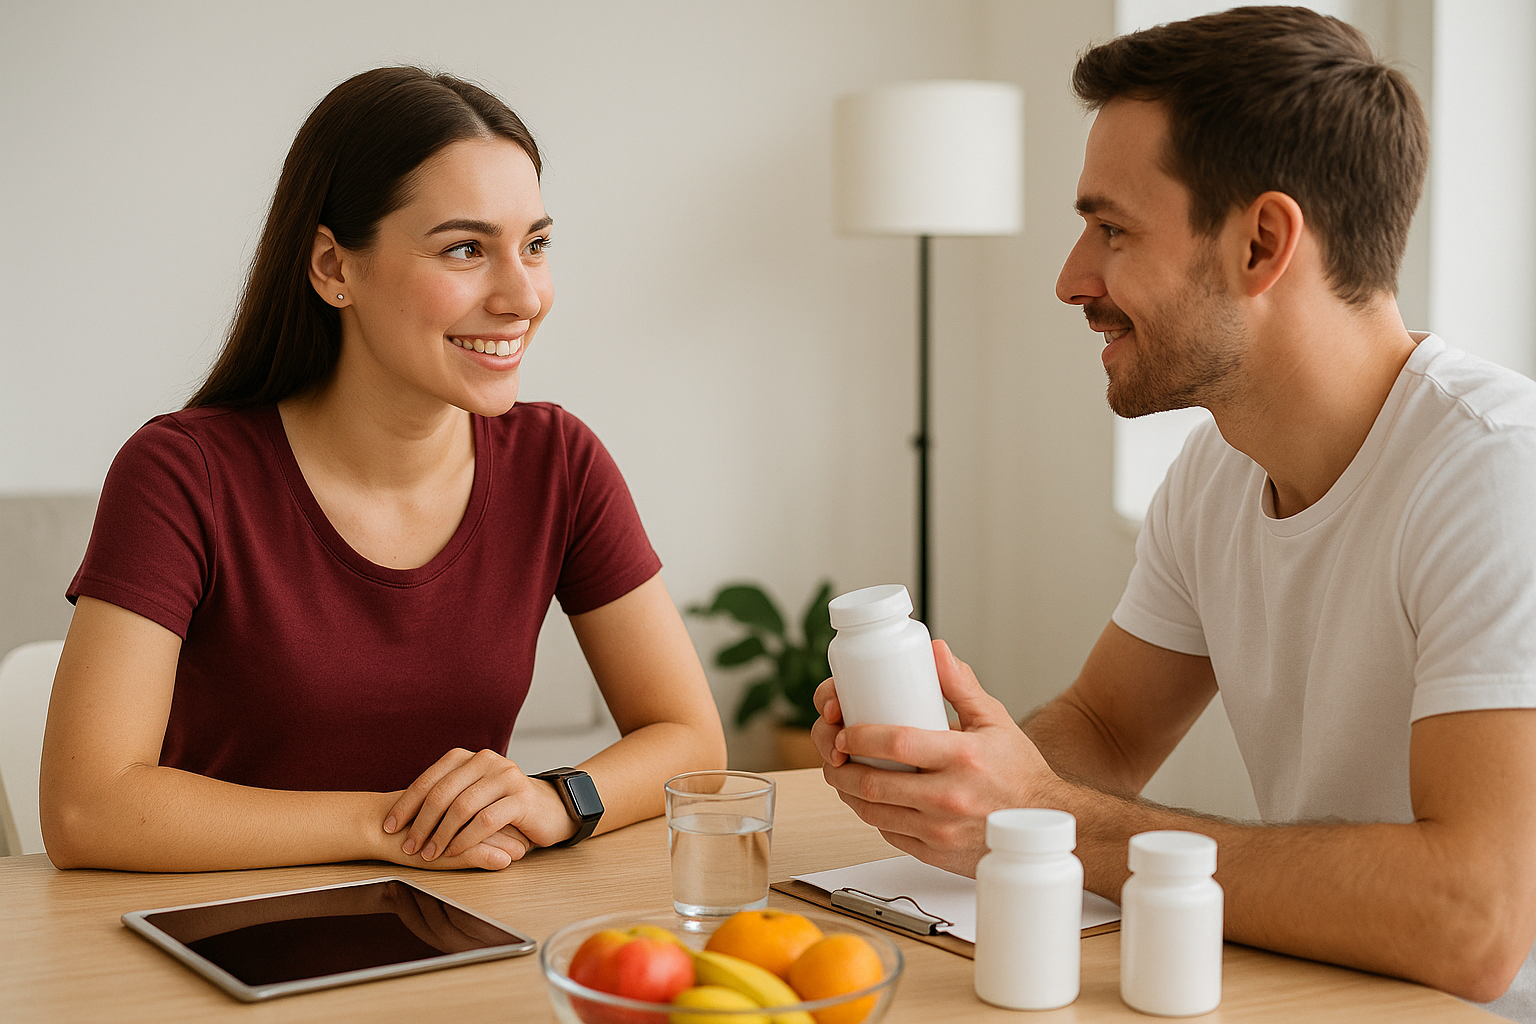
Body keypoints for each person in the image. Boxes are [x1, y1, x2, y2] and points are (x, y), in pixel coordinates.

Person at [811, 7, 1536, 1019]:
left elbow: (1475, 921)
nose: (1072, 279)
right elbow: (1106, 728)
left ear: (1262, 243)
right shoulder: (1216, 470)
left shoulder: (1497, 474)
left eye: (1112, 228)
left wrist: (1046, 813)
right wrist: (947, 776)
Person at [39, 67, 726, 873]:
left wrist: (554, 798)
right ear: (334, 268)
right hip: (214, 939)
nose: (523, 297)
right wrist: (390, 829)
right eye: (466, 249)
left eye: (534, 245)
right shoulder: (181, 474)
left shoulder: (559, 463)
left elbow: (692, 742)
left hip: (460, 927)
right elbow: (88, 808)